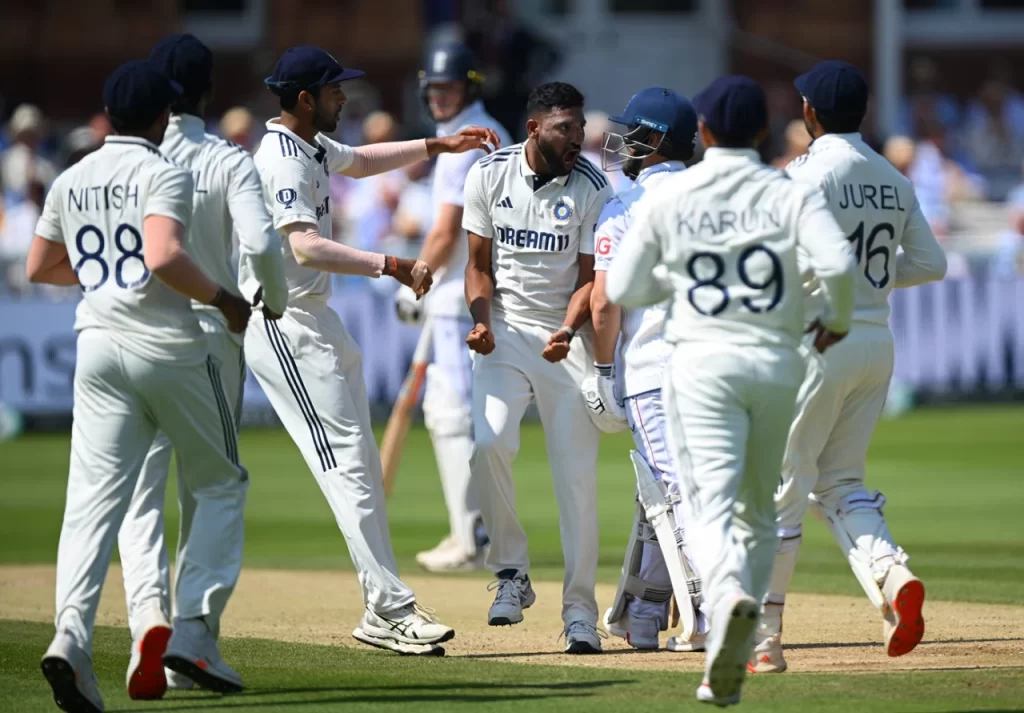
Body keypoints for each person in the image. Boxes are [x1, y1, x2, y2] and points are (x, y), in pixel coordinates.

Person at [605, 76, 856, 706]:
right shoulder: (786, 188)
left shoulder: (670, 197)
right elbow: (839, 267)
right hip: (776, 364)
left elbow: (623, 290)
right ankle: (739, 622)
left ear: (707, 134)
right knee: (759, 502)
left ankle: (728, 607)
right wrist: (838, 323)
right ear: (763, 133)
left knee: (708, 505)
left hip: (700, 368)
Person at [243, 45, 499, 656]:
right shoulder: (280, 159)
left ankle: (382, 605)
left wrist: (440, 146)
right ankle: (388, 609)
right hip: (285, 324)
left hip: (316, 318)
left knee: (357, 465)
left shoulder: (308, 144)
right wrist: (389, 264)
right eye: (335, 91)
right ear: (306, 99)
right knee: (350, 470)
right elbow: (304, 246)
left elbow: (359, 161)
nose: (344, 98)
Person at [28, 60, 254, 713]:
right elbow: (161, 255)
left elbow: (42, 265)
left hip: (95, 346)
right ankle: (192, 632)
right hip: (171, 346)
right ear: (162, 116)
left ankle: (70, 637)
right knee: (219, 482)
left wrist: (106, 278)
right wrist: (225, 300)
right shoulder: (164, 171)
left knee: (91, 505)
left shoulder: (71, 177)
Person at [752, 61, 949, 676]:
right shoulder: (892, 175)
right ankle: (893, 577)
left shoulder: (803, 175)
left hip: (817, 341)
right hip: (873, 342)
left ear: (809, 112)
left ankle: (764, 641)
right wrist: (875, 278)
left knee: (780, 491)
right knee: (839, 485)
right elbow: (933, 263)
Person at [113, 34, 290, 699]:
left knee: (139, 494)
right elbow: (262, 239)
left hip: (125, 338)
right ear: (209, 90)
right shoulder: (224, 158)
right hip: (205, 339)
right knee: (215, 485)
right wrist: (267, 298)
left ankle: (147, 630)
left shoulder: (126, 162)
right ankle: (192, 632)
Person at [463, 81, 614, 653]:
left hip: (563, 339)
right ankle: (511, 574)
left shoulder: (592, 187)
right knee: (487, 441)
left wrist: (569, 329)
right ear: (534, 129)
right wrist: (480, 320)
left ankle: (580, 613)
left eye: (579, 127)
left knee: (575, 479)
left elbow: (588, 279)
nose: (577, 138)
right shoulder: (488, 175)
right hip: (502, 335)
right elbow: (478, 267)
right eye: (565, 128)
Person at [586, 87, 707, 653]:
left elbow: (605, 303)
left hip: (654, 370)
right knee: (672, 491)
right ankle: (643, 610)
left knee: (673, 495)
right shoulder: (712, 195)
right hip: (714, 366)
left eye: (633, 132)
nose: (622, 142)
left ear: (654, 140)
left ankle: (707, 613)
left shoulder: (626, 206)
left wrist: (604, 369)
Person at [394, 42, 512, 573]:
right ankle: (469, 529)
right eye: (434, 88)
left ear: (469, 86)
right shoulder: (495, 133)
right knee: (455, 414)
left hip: (454, 296)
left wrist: (412, 281)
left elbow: (444, 231)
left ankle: (473, 535)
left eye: (450, 87)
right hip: (475, 290)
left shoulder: (462, 144)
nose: (440, 97)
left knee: (453, 416)